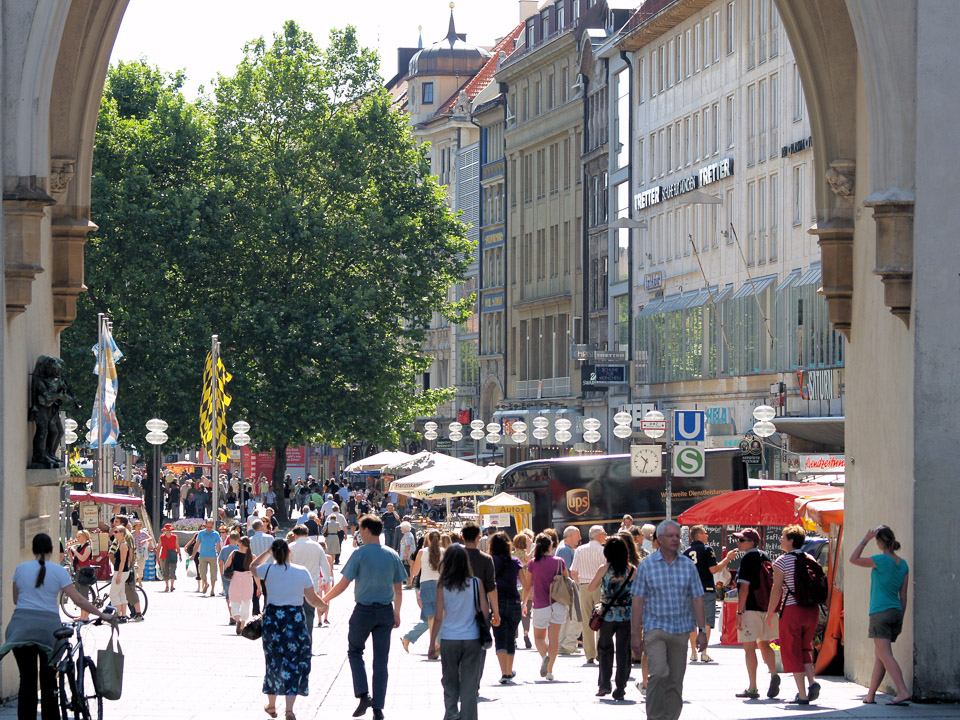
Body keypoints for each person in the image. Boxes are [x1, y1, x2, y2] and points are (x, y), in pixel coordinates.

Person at [0, 534, 114, 720]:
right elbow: (78, 599)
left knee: (27, 681)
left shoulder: (20, 569)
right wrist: (101, 614)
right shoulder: (59, 571)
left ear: (33, 549)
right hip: (48, 632)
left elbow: (16, 600)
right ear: (53, 550)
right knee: (48, 679)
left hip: (20, 629)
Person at [322, 515, 406, 720]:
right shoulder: (392, 554)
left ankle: (363, 694)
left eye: (360, 529)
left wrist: (324, 598)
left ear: (367, 530)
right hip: (385, 611)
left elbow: (344, 583)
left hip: (364, 611)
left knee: (355, 651)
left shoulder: (360, 554)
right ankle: (378, 708)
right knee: (381, 661)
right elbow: (398, 588)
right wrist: (397, 612)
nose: (358, 533)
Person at [630, 519, 707, 720]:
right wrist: (635, 636)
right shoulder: (647, 566)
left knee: (675, 679)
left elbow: (698, 599)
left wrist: (702, 631)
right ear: (660, 539)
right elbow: (637, 602)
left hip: (681, 630)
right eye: (671, 536)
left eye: (678, 536)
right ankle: (654, 717)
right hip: (655, 628)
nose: (675, 540)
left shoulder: (688, 566)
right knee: (659, 673)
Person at [252, 539, 326, 720]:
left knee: (273, 661)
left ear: (274, 553)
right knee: (294, 662)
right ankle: (289, 709)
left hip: (273, 620)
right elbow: (311, 598)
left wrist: (268, 552)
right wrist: (323, 605)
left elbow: (253, 566)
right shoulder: (301, 572)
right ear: (289, 553)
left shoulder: (267, 570)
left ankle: (270, 705)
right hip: (294, 619)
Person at [849, 525, 911, 705]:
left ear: (878, 542)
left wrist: (864, 539)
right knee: (880, 656)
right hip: (895, 612)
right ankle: (870, 696)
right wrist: (901, 617)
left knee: (885, 655)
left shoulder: (881, 560)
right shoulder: (903, 564)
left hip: (880, 612)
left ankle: (902, 691)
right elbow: (904, 595)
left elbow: (853, 559)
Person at [427, 544, 490, 720]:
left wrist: (432, 643)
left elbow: (438, 617)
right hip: (472, 639)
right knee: (470, 685)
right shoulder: (476, 583)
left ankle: (452, 713)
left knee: (449, 680)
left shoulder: (443, 585)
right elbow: (485, 612)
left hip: (449, 638)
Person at [765, 524, 820, 705]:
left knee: (792, 651)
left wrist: (770, 612)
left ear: (790, 540)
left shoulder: (781, 561)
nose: (780, 539)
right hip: (812, 610)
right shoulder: (810, 558)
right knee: (805, 648)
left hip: (792, 610)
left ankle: (802, 695)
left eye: (783, 537)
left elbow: (776, 590)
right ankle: (812, 682)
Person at [731, 527, 780, 700]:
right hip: (767, 608)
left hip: (751, 608)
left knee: (749, 648)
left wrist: (739, 612)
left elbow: (744, 588)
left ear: (752, 542)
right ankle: (774, 674)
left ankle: (753, 687)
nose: (738, 542)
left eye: (741, 540)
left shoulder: (747, 559)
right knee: (765, 644)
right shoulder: (765, 557)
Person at [588, 536, 636, 701]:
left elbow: (590, 588)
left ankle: (604, 684)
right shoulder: (632, 570)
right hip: (626, 615)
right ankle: (620, 688)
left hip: (607, 614)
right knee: (623, 652)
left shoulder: (604, 568)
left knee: (605, 650)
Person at [522, 533, 570, 681]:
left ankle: (544, 657)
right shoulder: (559, 562)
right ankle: (549, 671)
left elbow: (528, 586)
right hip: (558, 603)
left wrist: (524, 603)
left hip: (541, 604)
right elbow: (567, 580)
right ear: (550, 546)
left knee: (538, 637)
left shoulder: (532, 563)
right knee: (554, 639)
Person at [684, 525, 733, 663]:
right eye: (705, 533)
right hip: (706, 589)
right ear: (699, 535)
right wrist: (727, 559)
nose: (707, 535)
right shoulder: (707, 549)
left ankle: (693, 652)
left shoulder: (686, 552)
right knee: (706, 622)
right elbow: (713, 569)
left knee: (692, 622)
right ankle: (704, 652)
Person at [489, 531, 528, 683]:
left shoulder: (490, 561)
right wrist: (524, 602)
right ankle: (508, 671)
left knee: (499, 636)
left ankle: (503, 672)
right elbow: (525, 585)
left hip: (496, 603)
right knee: (510, 637)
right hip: (514, 602)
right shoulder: (515, 561)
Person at [402, 530, 443, 653]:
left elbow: (414, 572)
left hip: (426, 584)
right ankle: (435, 644)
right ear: (440, 540)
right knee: (439, 616)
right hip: (441, 585)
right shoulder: (445, 552)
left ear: (428, 540)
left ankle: (432, 643)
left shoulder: (422, 552)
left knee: (429, 616)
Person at [571, 525, 607, 664]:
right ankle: (600, 651)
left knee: (587, 620)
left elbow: (574, 571)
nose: (605, 536)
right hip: (600, 587)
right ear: (599, 536)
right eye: (604, 534)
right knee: (600, 619)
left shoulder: (580, 550)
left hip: (585, 586)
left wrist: (580, 584)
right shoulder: (604, 551)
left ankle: (589, 655)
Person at [289, 524, 332, 630]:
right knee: (309, 614)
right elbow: (325, 565)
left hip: (294, 587)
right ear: (307, 534)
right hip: (312, 586)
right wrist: (326, 579)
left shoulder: (291, 547)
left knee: (294, 615)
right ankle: (308, 639)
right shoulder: (317, 546)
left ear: (295, 535)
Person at [555, 526, 581, 654]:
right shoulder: (566, 550)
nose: (580, 538)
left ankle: (563, 644)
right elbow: (567, 572)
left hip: (567, 589)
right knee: (575, 617)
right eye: (578, 535)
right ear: (571, 535)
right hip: (570, 589)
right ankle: (568, 644)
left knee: (567, 617)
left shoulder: (563, 548)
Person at [227, 536, 258, 634]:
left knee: (234, 601)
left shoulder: (234, 553)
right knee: (246, 602)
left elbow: (227, 566)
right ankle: (243, 624)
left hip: (235, 578)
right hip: (247, 580)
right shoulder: (252, 556)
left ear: (240, 544)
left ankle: (237, 619)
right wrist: (259, 587)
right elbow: (255, 573)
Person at [512, 533, 533, 649]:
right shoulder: (527, 556)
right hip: (527, 588)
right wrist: (529, 546)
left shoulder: (512, 556)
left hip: (514, 587)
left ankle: (514, 639)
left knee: (515, 615)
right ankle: (526, 634)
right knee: (527, 613)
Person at [195, 518, 222, 597]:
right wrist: (193, 554)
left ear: (213, 526)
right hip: (202, 555)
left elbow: (218, 546)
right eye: (208, 527)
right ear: (205, 525)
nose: (209, 528)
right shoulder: (201, 533)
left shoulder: (216, 534)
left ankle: (212, 590)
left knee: (213, 573)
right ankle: (206, 584)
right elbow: (197, 544)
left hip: (212, 556)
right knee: (202, 573)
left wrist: (220, 556)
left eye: (211, 527)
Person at [218, 531, 239, 619]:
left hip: (226, 575)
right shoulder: (239, 549)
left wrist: (221, 574)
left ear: (229, 539)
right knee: (237, 595)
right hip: (238, 575)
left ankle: (231, 615)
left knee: (228, 595)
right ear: (238, 539)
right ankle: (237, 613)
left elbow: (220, 562)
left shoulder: (224, 549)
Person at [157, 523, 180, 591]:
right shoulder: (161, 537)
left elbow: (177, 546)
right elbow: (158, 547)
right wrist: (157, 556)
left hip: (172, 556)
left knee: (173, 570)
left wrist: (180, 554)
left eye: (169, 530)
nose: (168, 531)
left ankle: (172, 586)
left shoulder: (175, 537)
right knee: (165, 571)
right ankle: (167, 586)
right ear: (165, 530)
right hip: (164, 556)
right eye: (167, 530)